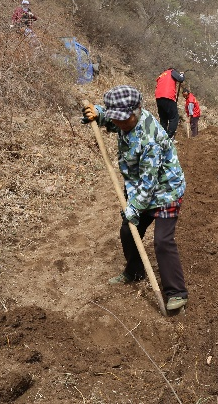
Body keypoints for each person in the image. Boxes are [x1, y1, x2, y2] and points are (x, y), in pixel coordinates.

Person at [81, 85, 189, 311]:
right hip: (140, 187)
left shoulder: (149, 138)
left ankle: (176, 292)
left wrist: (135, 207)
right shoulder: (125, 119)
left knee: (162, 241)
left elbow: (149, 182)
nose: (118, 124)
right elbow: (113, 120)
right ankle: (135, 271)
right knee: (128, 230)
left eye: (122, 119)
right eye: (115, 118)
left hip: (166, 190)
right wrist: (99, 114)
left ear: (136, 111)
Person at [155, 67, 184, 140]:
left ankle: (162, 137)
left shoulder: (161, 75)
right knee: (174, 117)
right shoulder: (171, 71)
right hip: (168, 96)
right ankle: (169, 137)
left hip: (158, 98)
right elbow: (180, 79)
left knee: (163, 119)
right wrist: (182, 75)